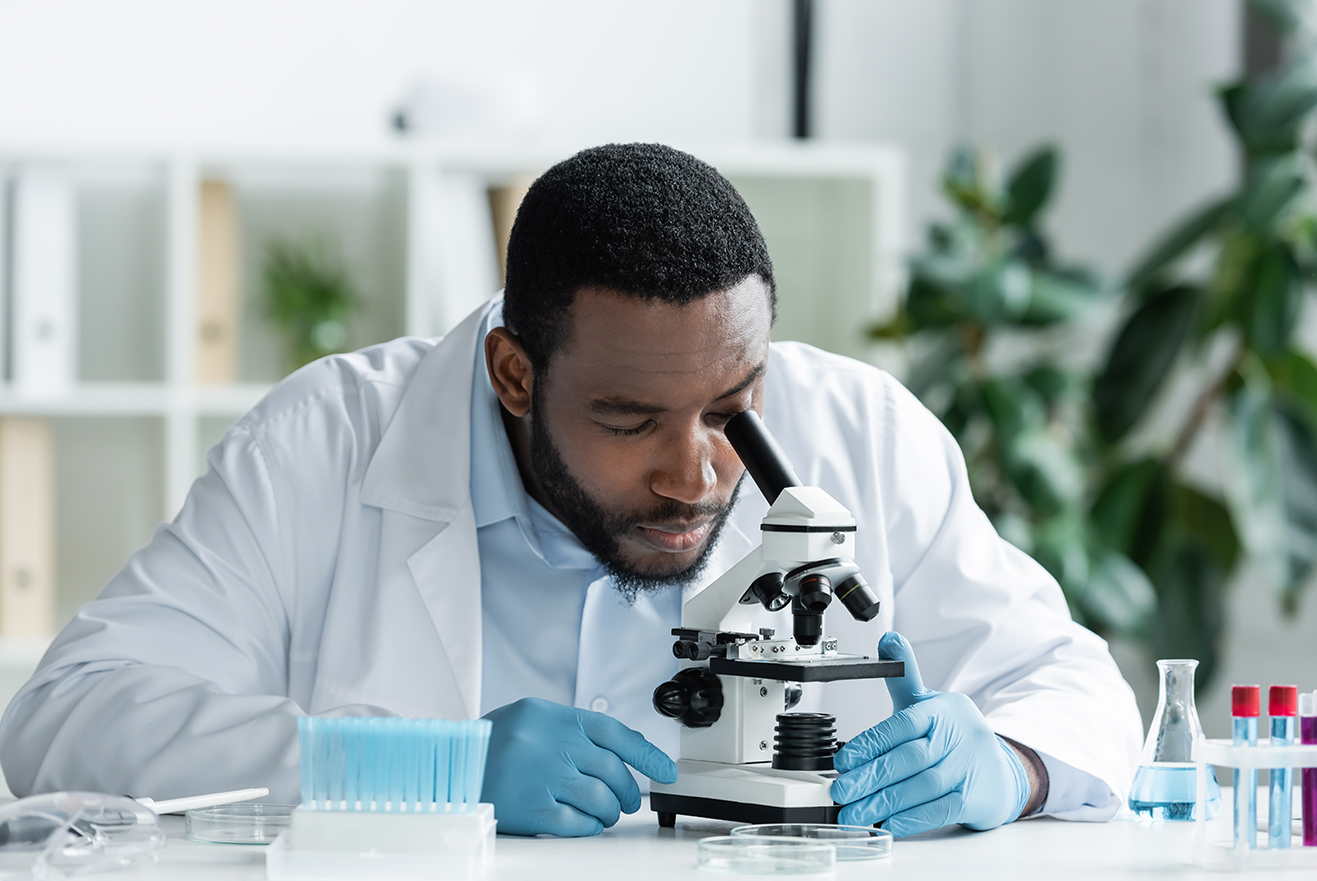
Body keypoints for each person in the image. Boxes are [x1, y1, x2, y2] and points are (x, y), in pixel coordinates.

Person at [0, 143, 1141, 837]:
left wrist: (1010, 765)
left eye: (731, 405)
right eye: (629, 420)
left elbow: (1070, 682)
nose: (693, 472)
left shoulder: (861, 429)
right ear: (513, 373)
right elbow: (68, 719)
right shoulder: (330, 438)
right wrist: (432, 770)